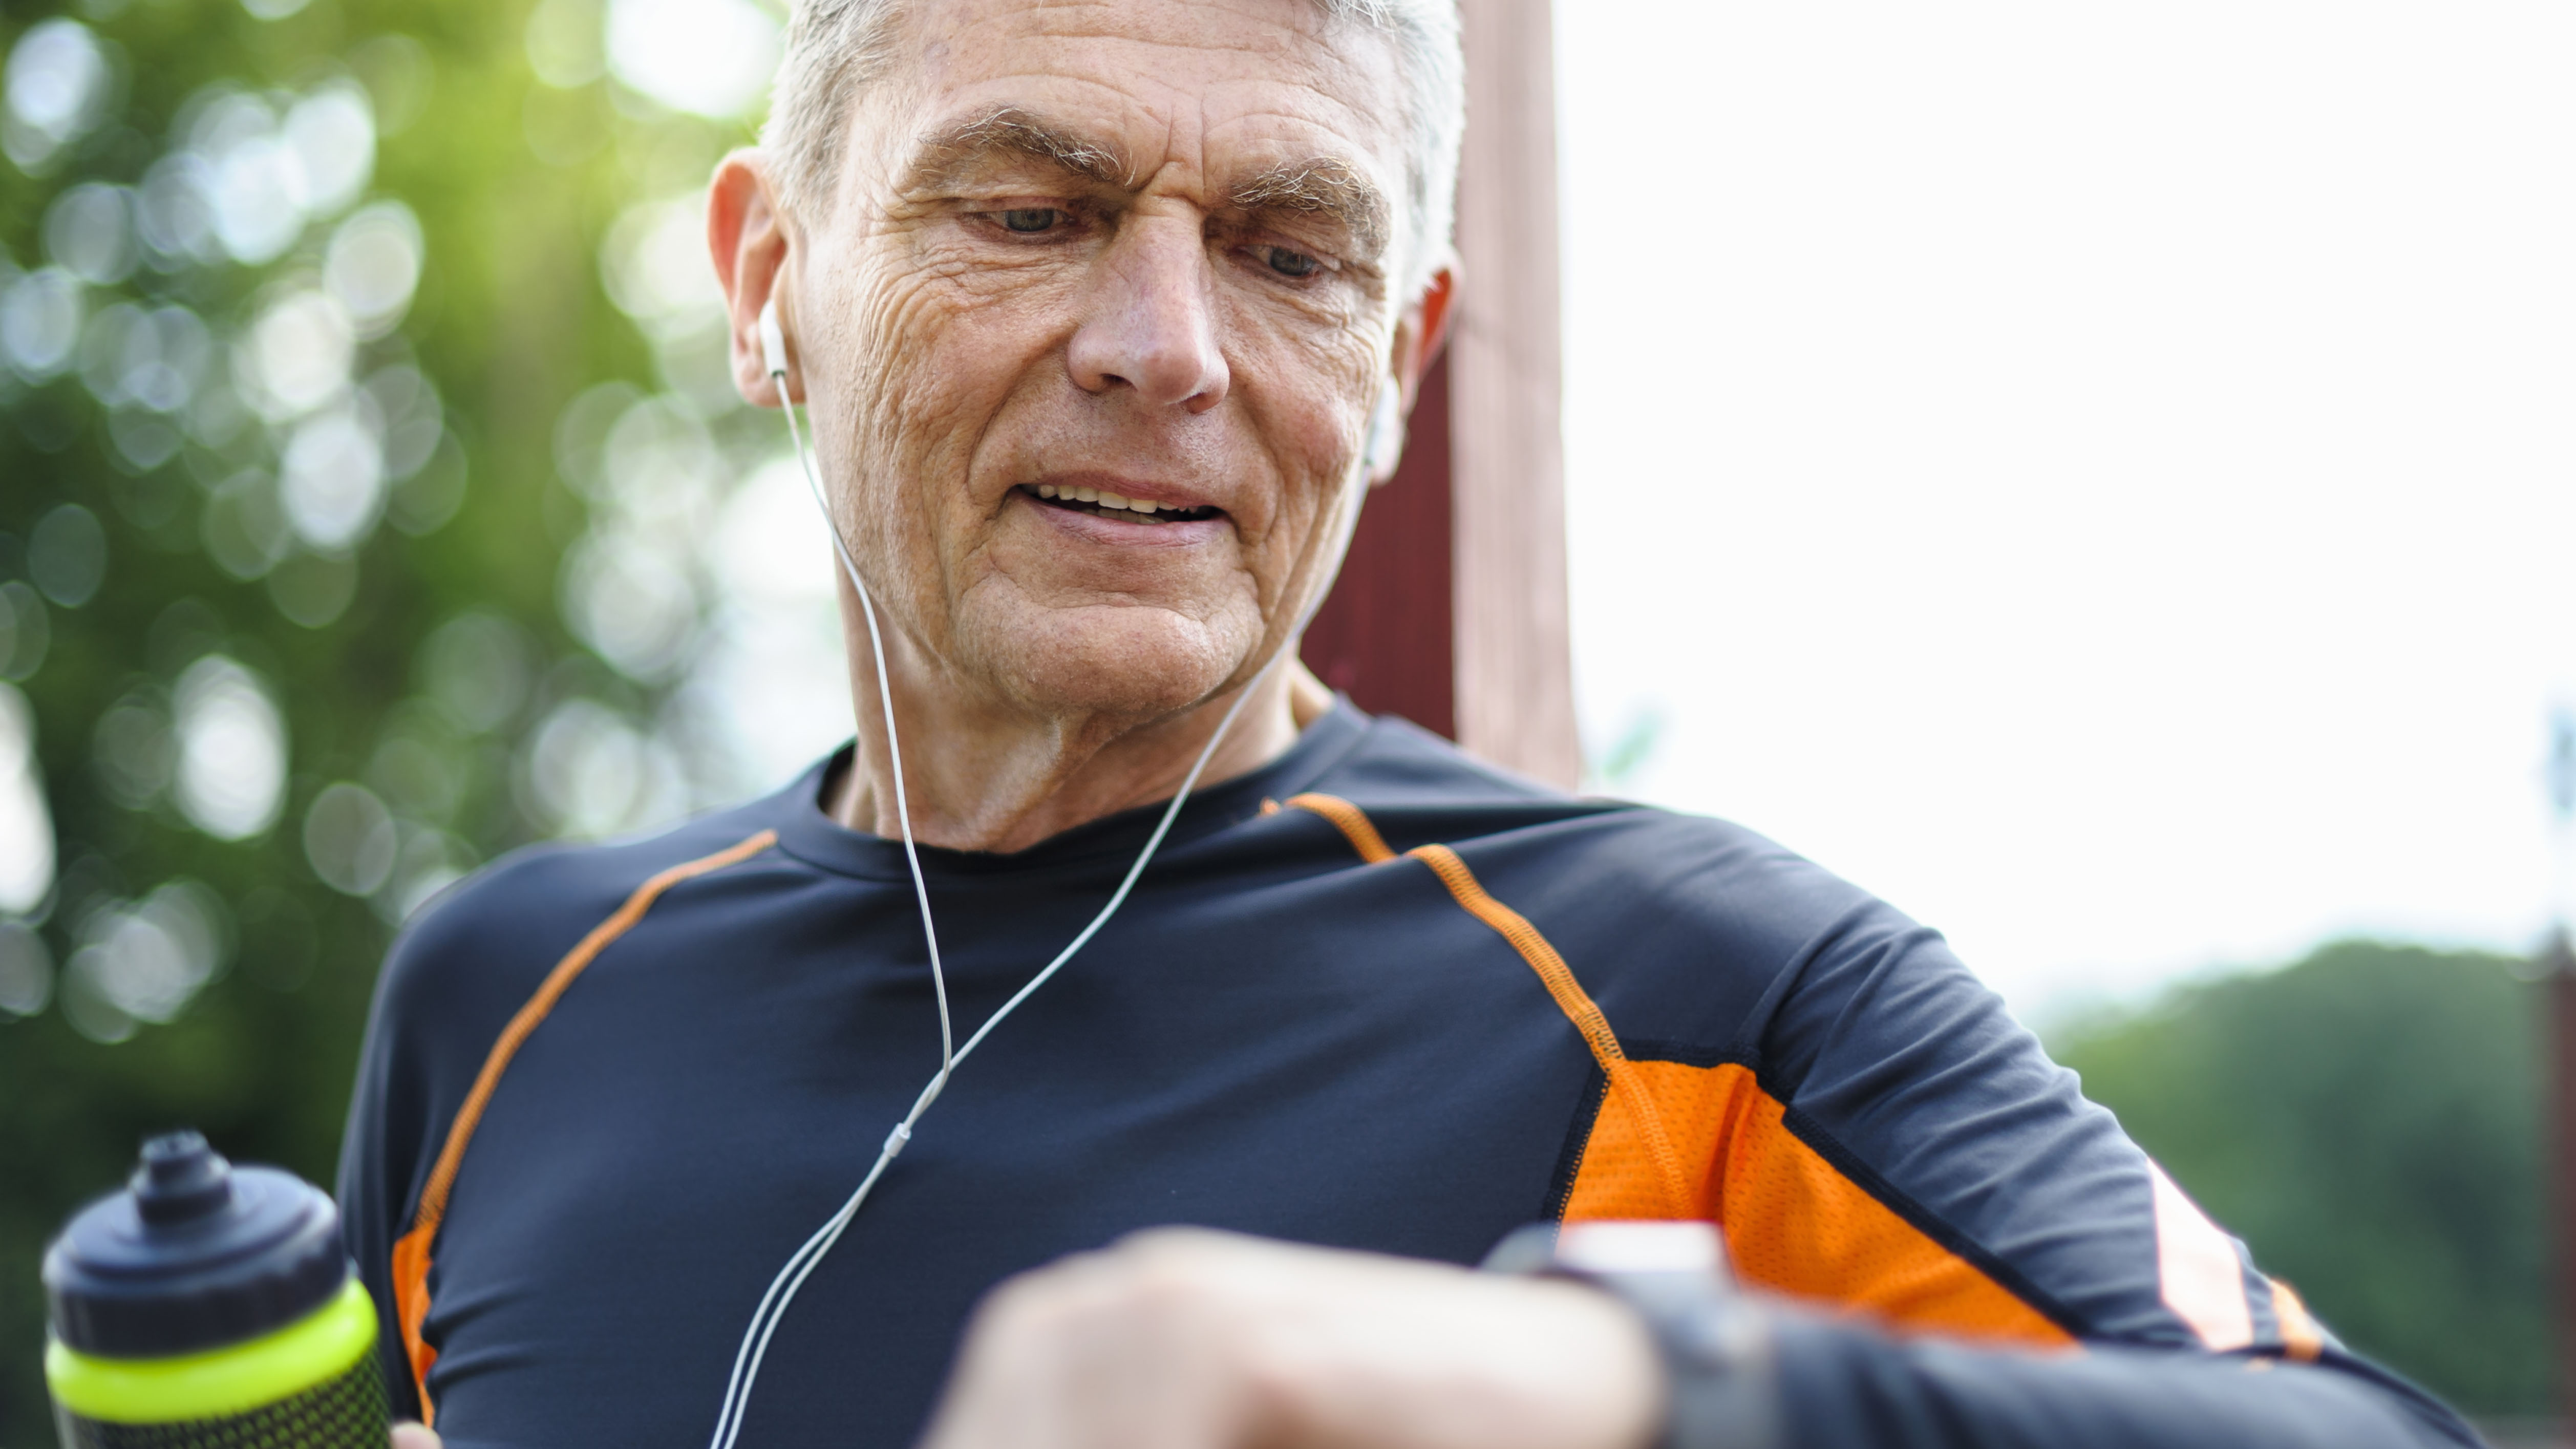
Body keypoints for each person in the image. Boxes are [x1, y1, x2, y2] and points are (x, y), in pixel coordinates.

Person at [342, 1, 2482, 1446]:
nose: (1165, 347)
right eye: (1029, 212)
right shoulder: (501, 995)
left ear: (1403, 355)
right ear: (765, 278)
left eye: (1291, 253)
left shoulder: (1707, 992)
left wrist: (1589, 1374)